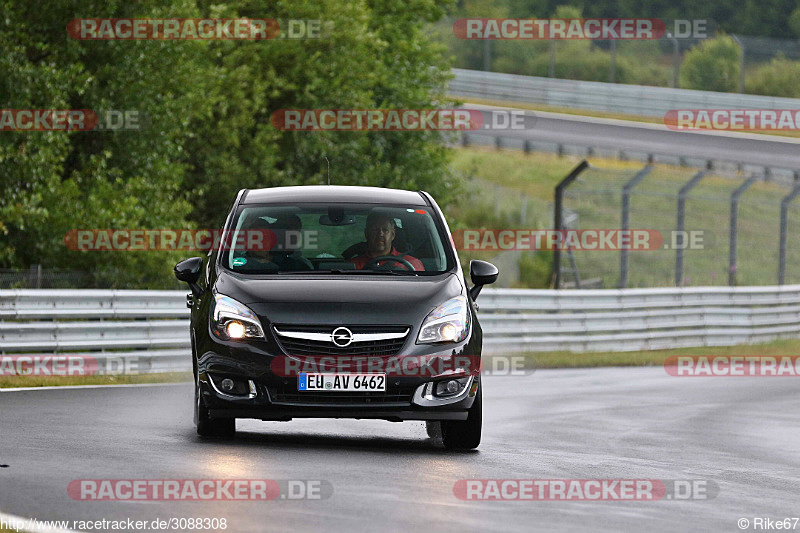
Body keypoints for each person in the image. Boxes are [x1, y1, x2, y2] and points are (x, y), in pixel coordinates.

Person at [234, 214, 312, 271]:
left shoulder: (293, 266)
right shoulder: (234, 265)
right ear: (246, 241)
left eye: (266, 237)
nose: (261, 242)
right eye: (255, 237)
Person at [349, 213, 424, 271]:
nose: (380, 234)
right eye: (375, 230)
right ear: (366, 234)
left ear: (393, 234)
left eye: (385, 230)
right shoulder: (353, 265)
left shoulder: (411, 263)